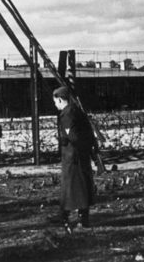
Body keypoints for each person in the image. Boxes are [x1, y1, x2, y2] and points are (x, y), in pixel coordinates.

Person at [53, 86, 95, 230]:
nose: (55, 105)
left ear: (59, 99)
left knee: (70, 188)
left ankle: (65, 218)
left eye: (55, 102)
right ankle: (83, 218)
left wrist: (65, 140)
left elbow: (73, 135)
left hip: (72, 156)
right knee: (81, 187)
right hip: (80, 155)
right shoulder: (77, 110)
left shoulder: (67, 113)